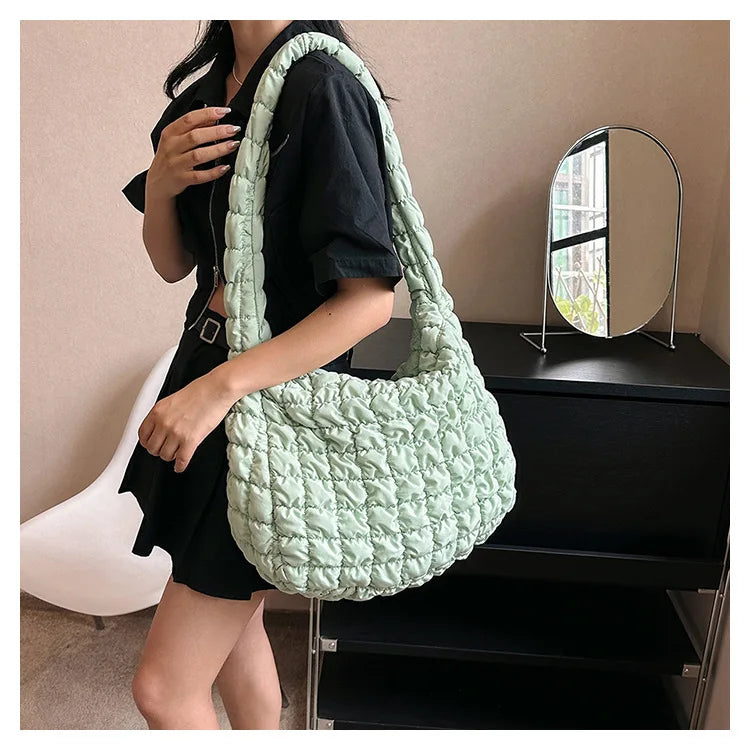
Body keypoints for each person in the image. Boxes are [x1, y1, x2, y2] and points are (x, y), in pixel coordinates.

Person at [116, 19, 403, 730]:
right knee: (236, 632)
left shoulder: (322, 86)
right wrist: (160, 187)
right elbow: (174, 264)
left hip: (262, 404)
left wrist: (217, 390)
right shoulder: (207, 93)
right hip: (205, 371)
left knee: (163, 689)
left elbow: (369, 301)